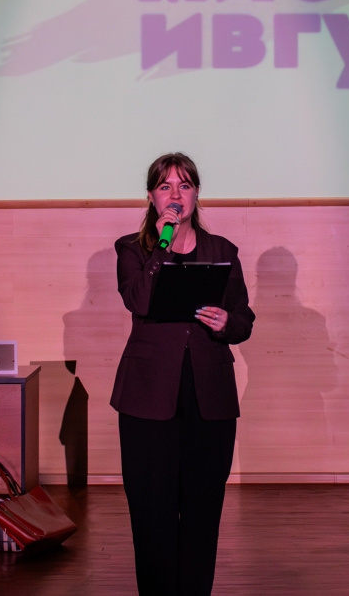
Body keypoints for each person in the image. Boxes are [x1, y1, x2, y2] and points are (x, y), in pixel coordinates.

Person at [111, 152, 255, 596]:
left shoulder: (222, 251)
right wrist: (162, 245)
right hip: (148, 396)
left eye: (185, 185)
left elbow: (244, 319)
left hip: (209, 396)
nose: (176, 194)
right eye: (165, 186)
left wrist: (226, 323)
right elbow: (138, 301)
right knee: (151, 509)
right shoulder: (132, 250)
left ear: (196, 194)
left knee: (202, 510)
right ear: (151, 197)